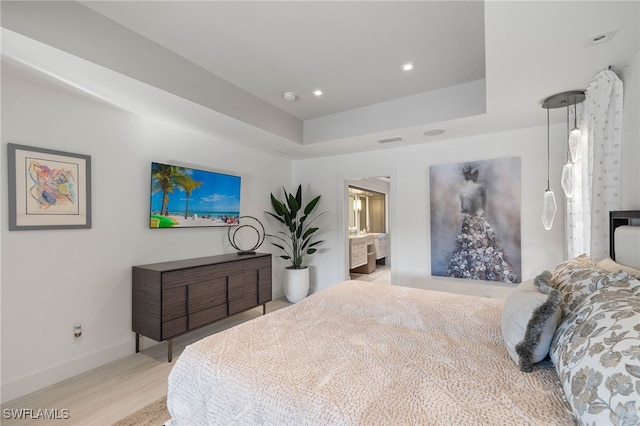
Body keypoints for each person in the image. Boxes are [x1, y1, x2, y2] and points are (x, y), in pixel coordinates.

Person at [446, 166, 518, 283]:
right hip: (479, 219)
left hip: (470, 220)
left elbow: (462, 209)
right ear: (473, 175)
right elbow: (483, 206)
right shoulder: (479, 188)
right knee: (484, 247)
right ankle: (483, 274)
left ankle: (473, 274)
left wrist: (469, 209)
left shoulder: (462, 191)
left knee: (470, 248)